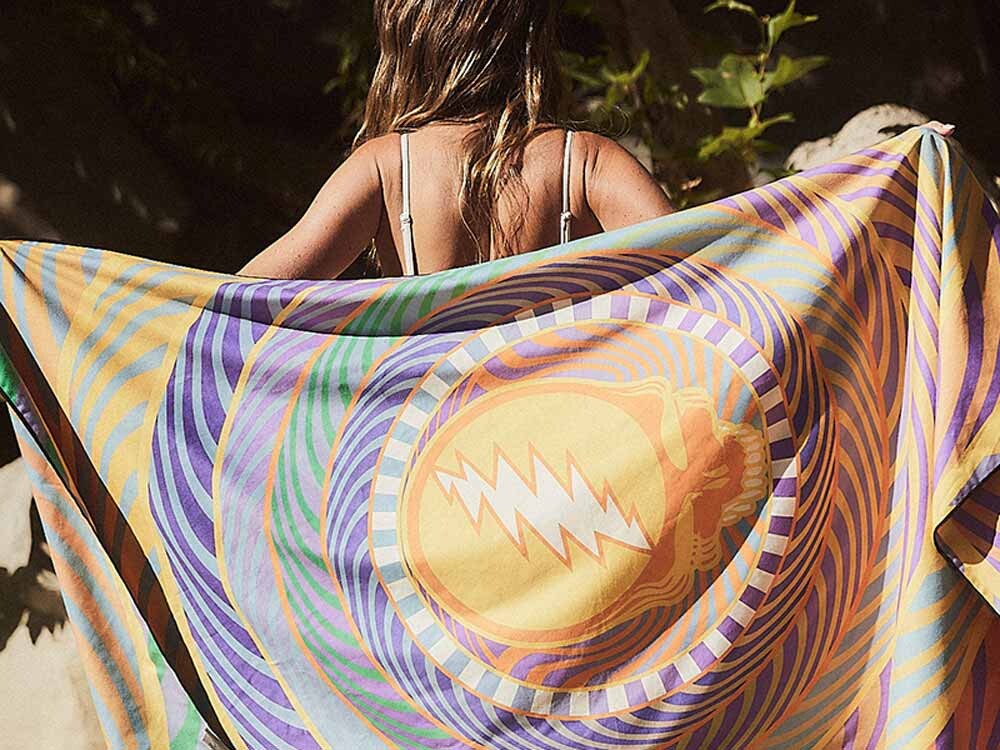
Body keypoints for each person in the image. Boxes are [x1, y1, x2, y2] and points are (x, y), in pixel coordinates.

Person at [238, 0, 956, 281]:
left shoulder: (382, 168)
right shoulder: (584, 163)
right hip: (568, 463)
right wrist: (870, 189)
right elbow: (712, 274)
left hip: (432, 467)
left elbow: (248, 300)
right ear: (533, 40)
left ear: (406, 42)